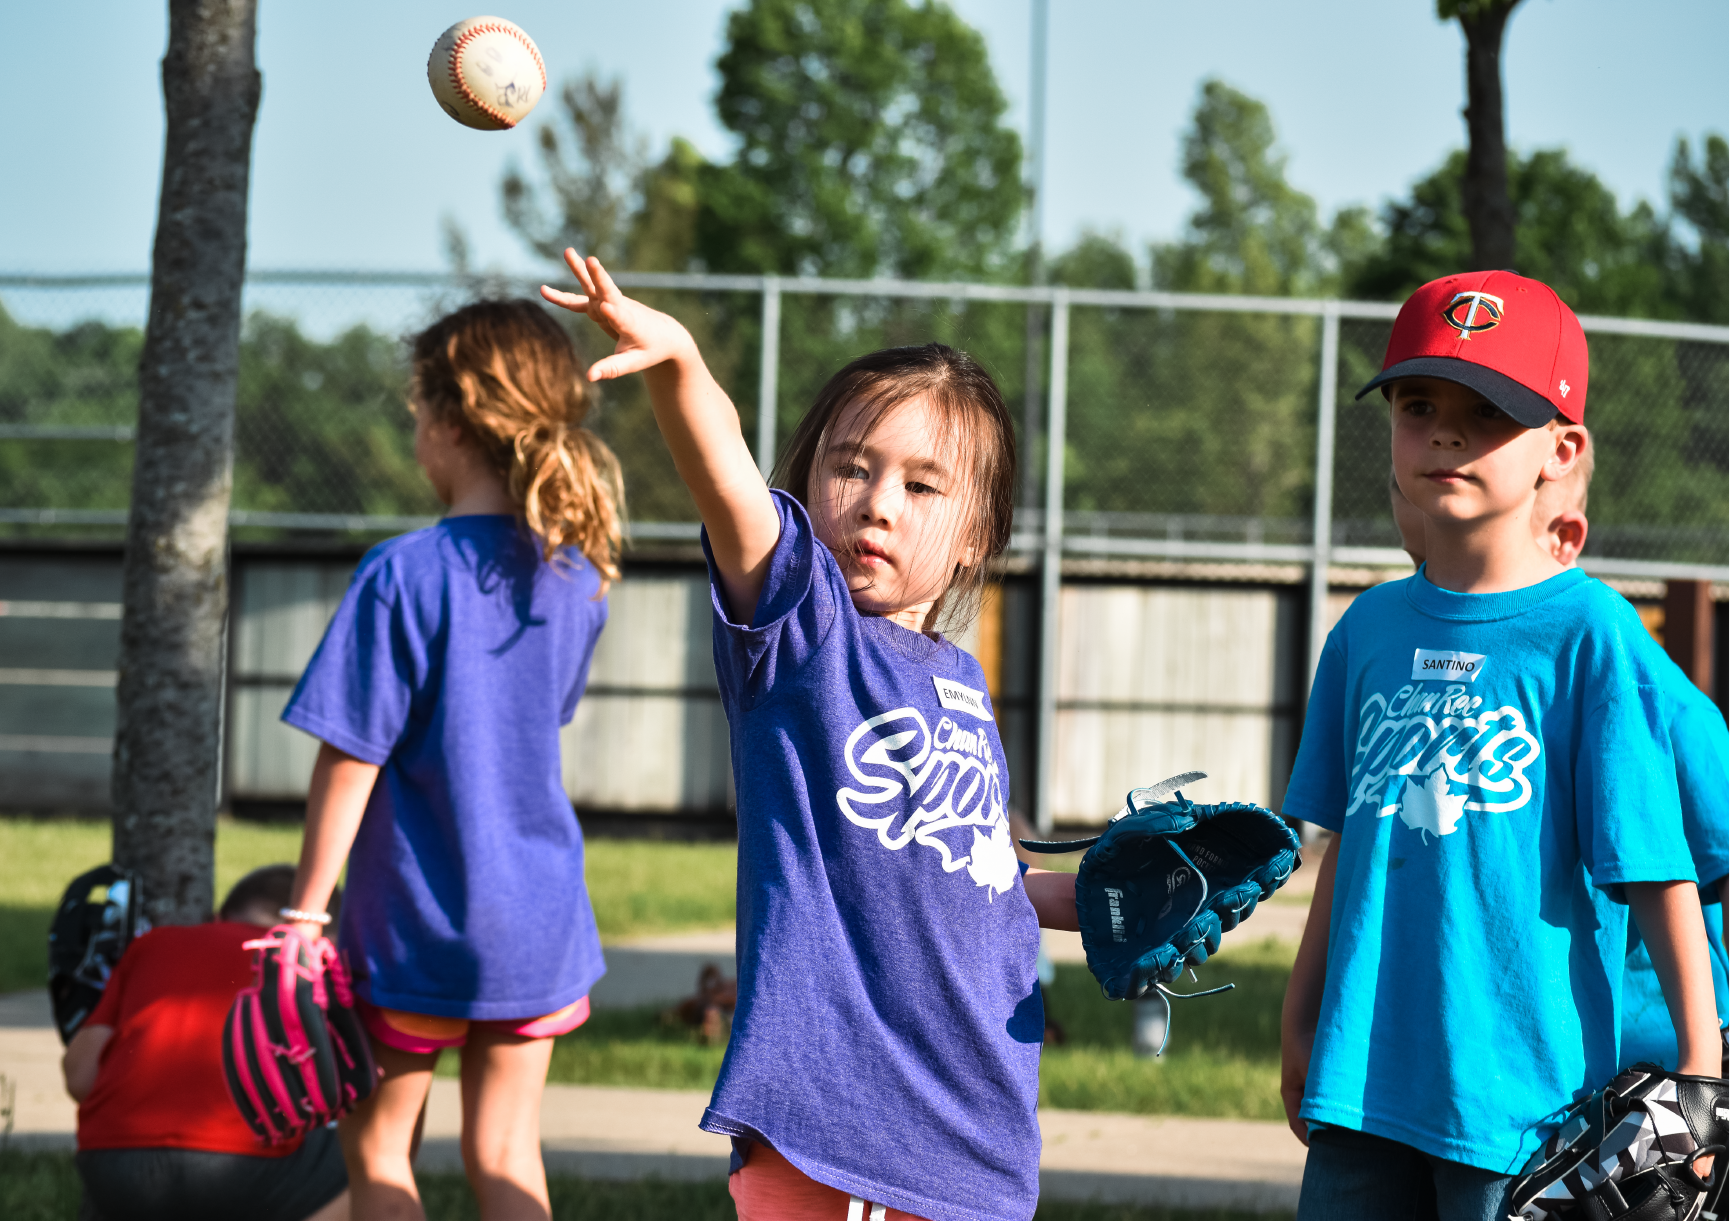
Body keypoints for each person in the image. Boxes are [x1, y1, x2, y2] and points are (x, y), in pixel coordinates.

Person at [541, 252, 1078, 1221]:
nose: (877, 500)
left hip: (975, 1128)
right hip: (840, 1133)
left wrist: (1105, 900)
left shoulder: (961, 688)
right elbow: (733, 495)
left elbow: (980, 880)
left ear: (974, 535)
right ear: (808, 480)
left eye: (923, 486)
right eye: (850, 466)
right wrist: (681, 370)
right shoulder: (801, 629)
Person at [1279, 270, 1720, 1220]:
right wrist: (1300, 1016)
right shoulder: (1365, 631)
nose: (1443, 431)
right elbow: (1350, 844)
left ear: (1561, 449)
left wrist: (1700, 1071)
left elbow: (1656, 869)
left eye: (1486, 412)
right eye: (1418, 404)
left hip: (1528, 1099)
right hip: (1364, 1079)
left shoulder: (1590, 633)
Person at [278, 299, 625, 1221]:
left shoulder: (400, 574)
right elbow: (544, 715)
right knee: (506, 1151)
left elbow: (348, 760)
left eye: (416, 415)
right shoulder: (579, 576)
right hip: (538, 923)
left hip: (413, 925)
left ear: (452, 420)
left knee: (382, 1152)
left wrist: (304, 913)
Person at [1395, 437, 1730, 1072]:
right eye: (1424, 569)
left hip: (1653, 1063)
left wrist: (1705, 1062)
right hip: (1528, 1056)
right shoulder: (1436, 683)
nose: (1441, 599)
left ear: (1562, 537)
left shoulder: (1664, 705)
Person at [63, 865, 349, 1221]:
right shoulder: (308, 966)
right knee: (361, 1157)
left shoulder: (152, 945)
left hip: (112, 1162)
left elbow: (80, 1076)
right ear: (325, 937)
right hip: (247, 1164)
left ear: (218, 917)